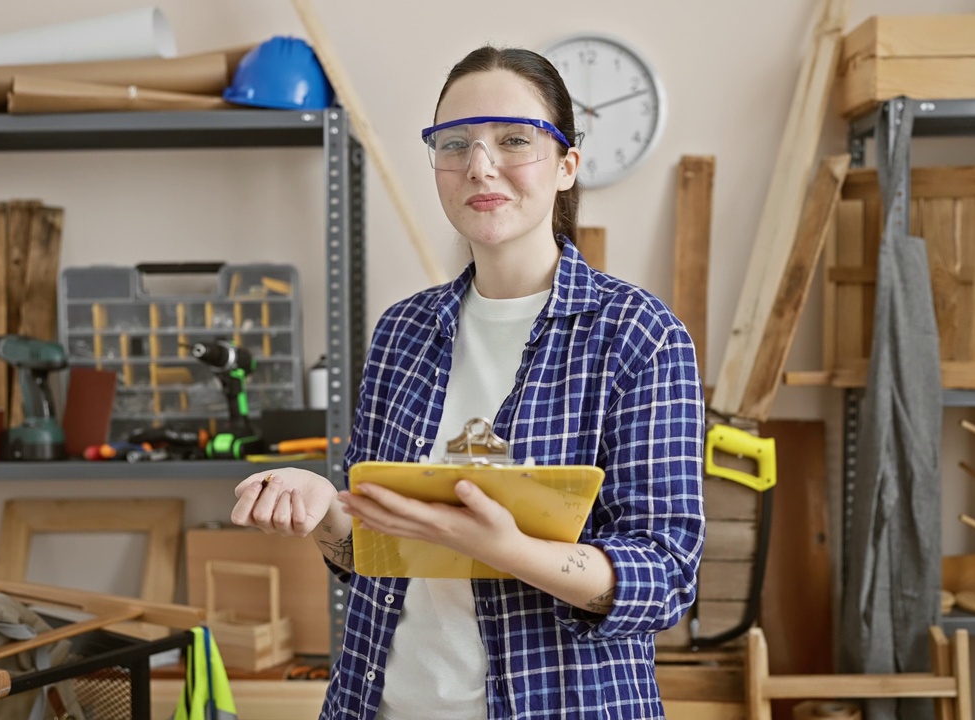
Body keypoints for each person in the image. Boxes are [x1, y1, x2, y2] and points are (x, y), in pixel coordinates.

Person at [231, 45, 704, 719]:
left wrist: (508, 550)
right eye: (456, 143)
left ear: (567, 165)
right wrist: (320, 507)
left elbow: (663, 580)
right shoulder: (403, 332)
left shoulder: (638, 336)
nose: (481, 165)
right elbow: (370, 551)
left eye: (513, 139)